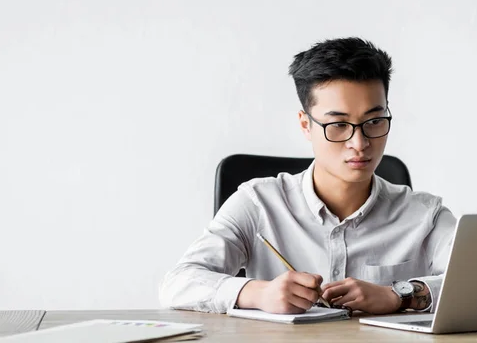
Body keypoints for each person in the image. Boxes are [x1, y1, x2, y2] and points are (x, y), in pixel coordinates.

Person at [159, 37, 456, 315]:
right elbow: (178, 284)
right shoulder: (258, 203)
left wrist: (399, 295)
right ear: (305, 125)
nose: (360, 143)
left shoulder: (425, 215)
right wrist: (258, 293)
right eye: (338, 125)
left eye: (374, 121)